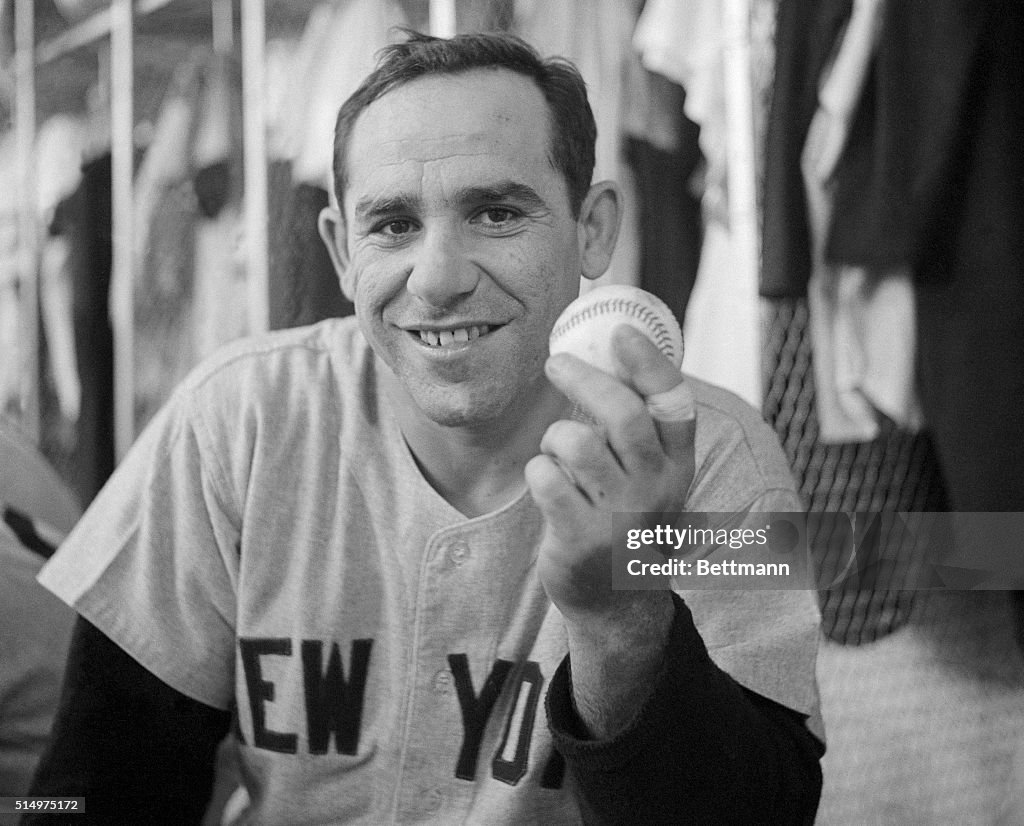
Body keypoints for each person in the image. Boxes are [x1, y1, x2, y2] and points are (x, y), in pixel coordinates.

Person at [27, 31, 823, 824]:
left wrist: (624, 615)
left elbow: (764, 812)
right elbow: (100, 787)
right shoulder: (237, 423)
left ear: (592, 229)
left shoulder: (719, 459)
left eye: (497, 212)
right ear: (342, 251)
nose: (438, 279)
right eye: (393, 225)